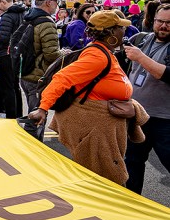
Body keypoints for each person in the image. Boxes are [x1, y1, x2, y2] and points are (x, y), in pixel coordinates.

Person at [28, 10, 144, 186]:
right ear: (111, 33)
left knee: (104, 180)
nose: (124, 31)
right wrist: (43, 108)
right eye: (120, 27)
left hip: (104, 127)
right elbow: (62, 78)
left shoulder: (105, 52)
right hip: (96, 129)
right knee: (105, 182)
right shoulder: (97, 56)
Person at [123, 3, 170, 194]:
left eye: (169, 23)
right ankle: (132, 209)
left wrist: (141, 57)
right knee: (132, 164)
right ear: (153, 20)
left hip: (165, 120)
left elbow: (167, 75)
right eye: (160, 21)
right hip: (138, 116)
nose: (163, 26)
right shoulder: (142, 39)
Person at [19, 0, 62, 112]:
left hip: (25, 72)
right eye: (56, 2)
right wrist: (64, 53)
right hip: (38, 76)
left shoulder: (28, 17)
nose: (57, 6)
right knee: (37, 119)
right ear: (48, 2)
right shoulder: (47, 23)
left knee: (32, 115)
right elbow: (51, 54)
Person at [0, 0, 25, 118]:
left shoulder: (7, 16)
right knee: (16, 86)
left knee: (8, 87)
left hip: (6, 53)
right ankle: (18, 114)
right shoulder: (23, 13)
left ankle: (11, 116)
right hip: (18, 53)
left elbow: (3, 38)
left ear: (3, 2)